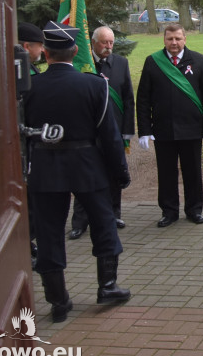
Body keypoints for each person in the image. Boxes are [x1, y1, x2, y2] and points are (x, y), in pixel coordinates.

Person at [24, 21, 131, 322]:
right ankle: (107, 286)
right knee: (104, 225)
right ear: (75, 51)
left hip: (45, 169)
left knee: (48, 233)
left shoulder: (30, 87)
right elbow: (109, 136)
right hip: (87, 166)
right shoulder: (95, 85)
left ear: (45, 53)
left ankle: (58, 301)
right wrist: (119, 172)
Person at [137, 23, 203, 227]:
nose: (174, 43)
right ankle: (169, 211)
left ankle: (194, 209)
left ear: (185, 39)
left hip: (192, 128)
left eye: (178, 39)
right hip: (163, 129)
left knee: (193, 171)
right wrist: (145, 130)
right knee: (166, 173)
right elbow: (143, 99)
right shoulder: (152, 62)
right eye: (170, 39)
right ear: (164, 40)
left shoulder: (198, 60)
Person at [69, 26, 136, 239]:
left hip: (114, 131)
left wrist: (127, 131)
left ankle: (114, 214)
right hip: (88, 132)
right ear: (93, 43)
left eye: (111, 43)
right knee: (84, 176)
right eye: (104, 43)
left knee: (114, 175)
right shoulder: (84, 65)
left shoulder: (121, 63)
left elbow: (128, 99)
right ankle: (80, 222)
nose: (108, 47)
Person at [17, 22, 45, 268]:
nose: (42, 50)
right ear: (27, 46)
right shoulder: (25, 74)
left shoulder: (31, 71)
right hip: (25, 147)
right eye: (39, 45)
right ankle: (24, 243)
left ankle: (28, 242)